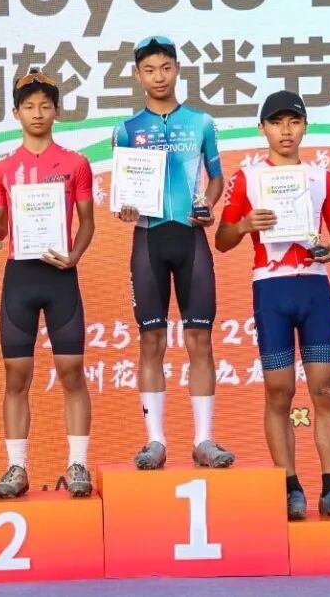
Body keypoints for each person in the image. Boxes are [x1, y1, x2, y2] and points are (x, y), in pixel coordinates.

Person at [215, 90, 330, 520]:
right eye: (276, 123)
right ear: (262, 128)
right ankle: (290, 487)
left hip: (314, 288)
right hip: (271, 289)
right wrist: (245, 225)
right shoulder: (247, 178)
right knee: (279, 391)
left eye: (293, 122)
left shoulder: (321, 178)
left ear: (305, 127)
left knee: (326, 388)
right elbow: (222, 241)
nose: (286, 131)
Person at [112, 36, 233, 470]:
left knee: (200, 339)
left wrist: (207, 204)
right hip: (148, 238)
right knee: (151, 340)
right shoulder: (126, 129)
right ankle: (155, 441)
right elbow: (123, 191)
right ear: (137, 75)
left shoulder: (201, 122)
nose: (158, 77)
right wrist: (126, 207)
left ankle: (204, 439)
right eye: (149, 70)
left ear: (178, 69)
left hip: (190, 238)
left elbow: (216, 178)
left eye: (165, 67)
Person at [0, 70, 97, 498]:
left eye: (45, 106)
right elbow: (0, 230)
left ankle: (78, 463)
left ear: (57, 111)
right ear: (16, 113)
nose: (38, 113)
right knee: (16, 374)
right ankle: (16, 467)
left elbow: (87, 222)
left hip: (60, 274)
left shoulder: (76, 163)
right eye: (29, 106)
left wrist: (75, 255)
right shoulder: (3, 168)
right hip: (20, 277)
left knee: (71, 370)